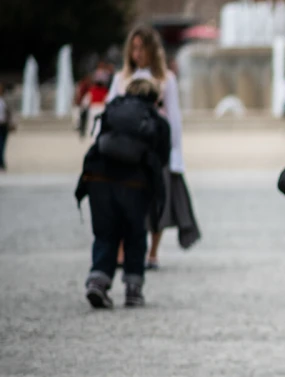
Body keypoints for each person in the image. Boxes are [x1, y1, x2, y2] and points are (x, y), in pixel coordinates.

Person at [75, 78, 171, 308]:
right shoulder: (156, 120)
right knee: (135, 235)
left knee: (105, 234)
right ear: (155, 98)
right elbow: (162, 157)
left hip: (100, 179)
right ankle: (133, 289)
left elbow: (97, 139)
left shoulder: (113, 109)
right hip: (134, 185)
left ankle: (98, 281)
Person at [109, 26, 201, 267]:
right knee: (124, 199)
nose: (137, 53)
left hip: (154, 149)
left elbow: (174, 118)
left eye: (142, 48)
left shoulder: (165, 79)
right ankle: (120, 249)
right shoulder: (121, 79)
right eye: (134, 48)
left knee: (156, 202)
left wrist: (175, 153)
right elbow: (110, 112)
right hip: (126, 149)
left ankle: (153, 251)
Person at [0, 83, 13, 170]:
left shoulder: (4, 101)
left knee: (2, 144)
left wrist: (10, 123)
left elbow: (8, 113)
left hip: (3, 125)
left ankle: (1, 161)